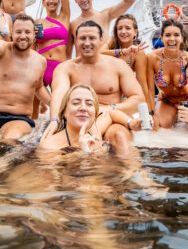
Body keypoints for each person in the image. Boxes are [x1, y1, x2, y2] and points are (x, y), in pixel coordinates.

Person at [44, 20, 143, 155]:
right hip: (78, 119)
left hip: (111, 120)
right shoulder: (65, 68)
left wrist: (109, 109)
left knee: (119, 136)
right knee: (50, 148)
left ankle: (131, 174)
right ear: (76, 41)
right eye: (82, 38)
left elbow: (138, 98)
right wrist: (54, 120)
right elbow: (58, 93)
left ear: (101, 40)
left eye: (92, 38)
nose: (87, 43)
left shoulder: (117, 65)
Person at [38, 84, 142, 153]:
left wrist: (131, 123)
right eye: (75, 103)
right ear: (64, 111)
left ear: (95, 113)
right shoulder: (50, 147)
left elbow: (110, 114)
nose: (83, 108)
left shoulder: (94, 129)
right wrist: (84, 153)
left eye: (89, 104)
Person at [145, 20, 188, 128]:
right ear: (162, 37)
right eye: (167, 35)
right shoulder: (152, 58)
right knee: (161, 126)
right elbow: (150, 89)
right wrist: (151, 113)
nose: (172, 39)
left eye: (176, 35)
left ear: (181, 38)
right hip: (167, 101)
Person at [102, 14, 151, 106]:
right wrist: (122, 51)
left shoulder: (138, 53)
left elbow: (142, 85)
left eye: (127, 28)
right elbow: (98, 53)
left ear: (135, 32)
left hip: (123, 100)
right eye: (120, 28)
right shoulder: (112, 41)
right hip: (103, 95)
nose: (123, 31)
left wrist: (149, 112)